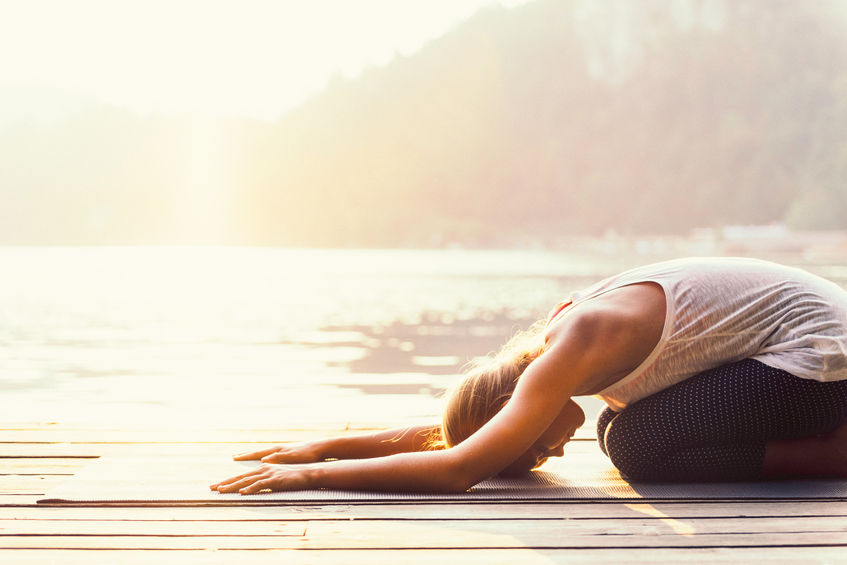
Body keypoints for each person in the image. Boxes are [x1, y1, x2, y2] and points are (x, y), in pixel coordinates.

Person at [210, 257, 847, 495]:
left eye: (535, 442)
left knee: (635, 444)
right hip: (807, 353)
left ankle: (833, 453)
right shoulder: (551, 351)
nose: (554, 446)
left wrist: (308, 475)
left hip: (822, 357)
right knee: (618, 431)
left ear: (517, 402)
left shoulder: (573, 346)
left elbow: (461, 467)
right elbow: (458, 435)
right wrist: (328, 441)